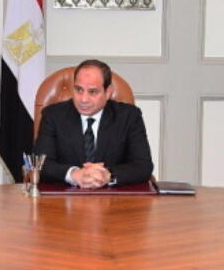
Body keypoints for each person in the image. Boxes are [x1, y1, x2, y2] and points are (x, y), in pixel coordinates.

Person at [34, 59, 153, 188]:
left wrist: (108, 175)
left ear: (108, 92)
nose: (83, 99)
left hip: (114, 201)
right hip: (64, 201)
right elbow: (41, 164)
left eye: (92, 92)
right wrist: (74, 174)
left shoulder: (129, 116)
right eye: (79, 90)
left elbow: (143, 165)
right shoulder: (53, 115)